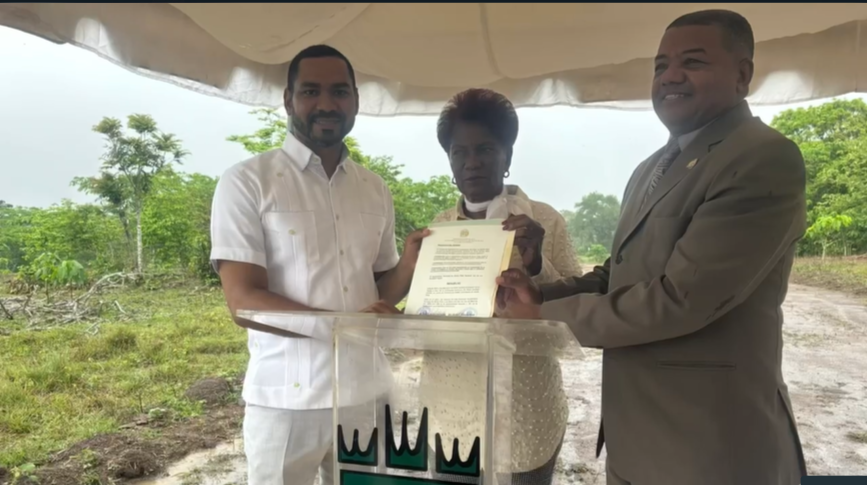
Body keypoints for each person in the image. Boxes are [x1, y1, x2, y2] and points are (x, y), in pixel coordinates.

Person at [497, 10, 808, 485]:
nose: (670, 76)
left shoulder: (761, 156)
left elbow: (682, 297)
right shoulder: (651, 168)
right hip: (635, 438)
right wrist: (539, 295)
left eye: (693, 62)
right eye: (661, 65)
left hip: (709, 446)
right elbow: (617, 275)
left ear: (742, 75)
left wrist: (542, 316)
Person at [209, 44, 426, 485]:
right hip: (287, 400)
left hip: (367, 393)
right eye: (311, 91)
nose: (327, 104)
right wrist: (343, 327)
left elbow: (376, 294)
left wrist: (408, 264)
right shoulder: (247, 182)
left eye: (339, 92)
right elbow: (244, 301)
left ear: (356, 101)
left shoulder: (374, 188)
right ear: (288, 100)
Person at [419, 88, 582, 484]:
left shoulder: (545, 221)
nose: (472, 162)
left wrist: (537, 265)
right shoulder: (439, 230)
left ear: (507, 156)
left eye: (486, 149)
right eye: (459, 152)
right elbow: (426, 318)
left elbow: (576, 314)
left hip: (526, 415)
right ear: (449, 161)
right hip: (450, 415)